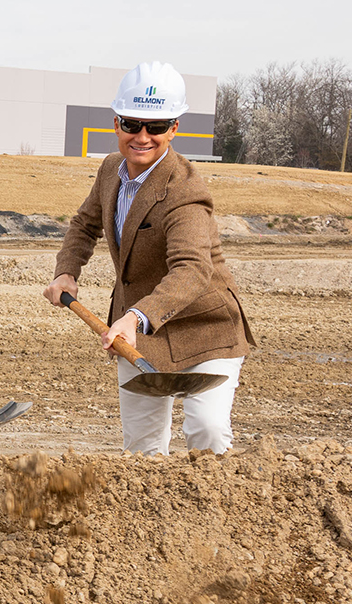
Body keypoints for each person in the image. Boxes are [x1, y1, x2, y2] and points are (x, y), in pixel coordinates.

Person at [44, 61, 255, 454]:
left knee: (207, 433)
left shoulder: (185, 190)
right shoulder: (110, 170)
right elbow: (83, 224)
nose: (142, 136)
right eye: (131, 124)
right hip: (138, 333)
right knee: (141, 446)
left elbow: (192, 269)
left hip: (203, 326)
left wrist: (134, 316)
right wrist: (66, 272)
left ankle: (209, 509)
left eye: (156, 127)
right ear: (117, 122)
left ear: (173, 128)